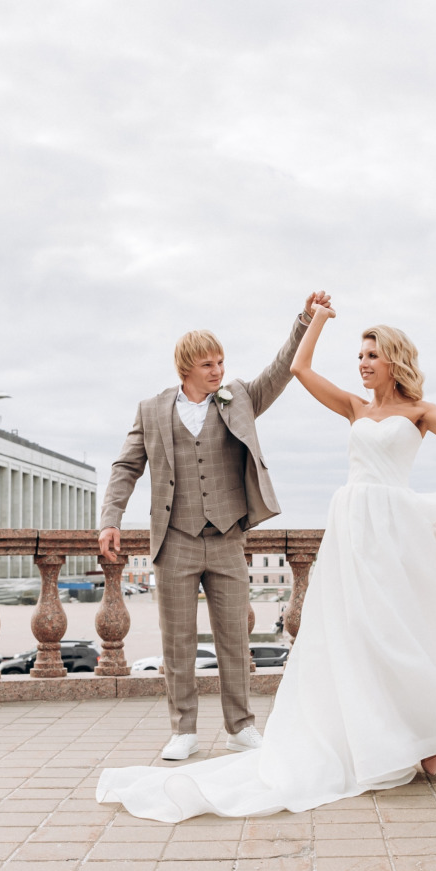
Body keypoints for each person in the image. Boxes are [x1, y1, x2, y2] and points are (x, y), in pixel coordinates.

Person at [97, 302, 436, 821]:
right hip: (349, 531)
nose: (363, 363)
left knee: (406, 631)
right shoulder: (353, 407)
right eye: (360, 356)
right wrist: (318, 321)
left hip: (397, 532)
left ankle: (426, 733)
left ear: (394, 360)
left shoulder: (419, 413)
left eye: (371, 355)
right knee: (353, 634)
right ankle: (354, 736)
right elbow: (300, 368)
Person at [98, 292, 330, 762]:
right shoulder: (151, 410)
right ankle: (183, 730)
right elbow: (126, 466)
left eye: (221, 361)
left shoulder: (240, 397)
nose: (218, 370)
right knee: (177, 642)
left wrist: (306, 320)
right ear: (186, 367)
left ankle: (240, 726)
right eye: (208, 364)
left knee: (233, 638)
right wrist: (110, 519)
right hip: (175, 540)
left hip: (227, 537)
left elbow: (281, 367)